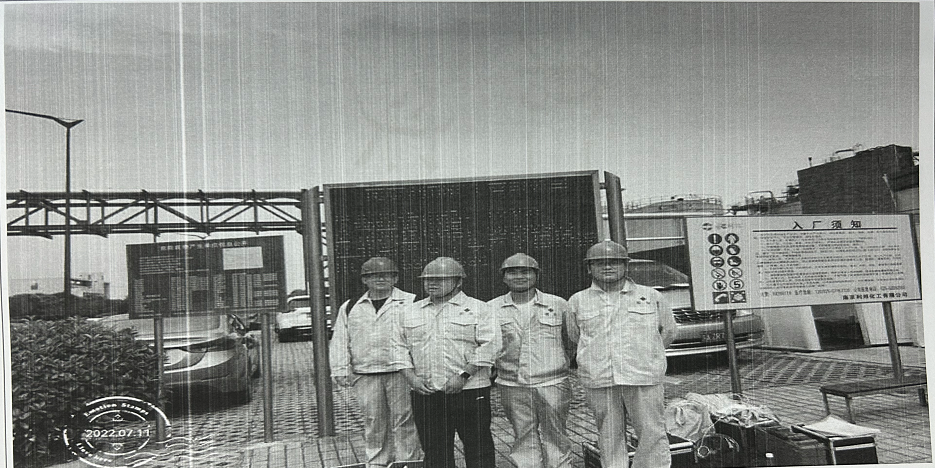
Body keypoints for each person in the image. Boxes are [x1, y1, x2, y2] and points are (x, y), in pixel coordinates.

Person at [567, 240, 677, 468]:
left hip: (643, 376)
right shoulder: (578, 301)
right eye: (599, 263)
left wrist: (645, 356)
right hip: (600, 377)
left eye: (615, 262)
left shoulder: (651, 296)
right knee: (608, 434)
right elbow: (575, 335)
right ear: (589, 268)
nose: (607, 267)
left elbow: (668, 332)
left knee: (651, 431)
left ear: (626, 265)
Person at [391, 257, 501, 468]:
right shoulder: (410, 312)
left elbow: (491, 345)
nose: (432, 283)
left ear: (458, 281)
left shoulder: (480, 309)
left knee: (478, 449)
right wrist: (411, 378)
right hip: (426, 392)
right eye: (428, 279)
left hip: (470, 390)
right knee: (435, 452)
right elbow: (398, 347)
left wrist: (463, 375)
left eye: (440, 279)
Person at [330, 256, 422, 468]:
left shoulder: (412, 302)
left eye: (386, 275)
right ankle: (378, 461)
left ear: (395, 278)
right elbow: (340, 339)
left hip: (402, 373)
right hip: (365, 374)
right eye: (373, 275)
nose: (380, 279)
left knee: (405, 419)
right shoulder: (350, 306)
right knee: (373, 421)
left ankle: (407, 461)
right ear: (364, 280)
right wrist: (340, 369)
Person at [489, 253, 575, 468]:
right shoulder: (491, 308)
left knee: (556, 433)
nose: (519, 276)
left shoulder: (558, 304)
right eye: (512, 272)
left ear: (536, 275)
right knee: (523, 434)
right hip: (512, 383)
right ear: (504, 277)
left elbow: (571, 340)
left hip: (553, 382)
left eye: (525, 271)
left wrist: (556, 363)